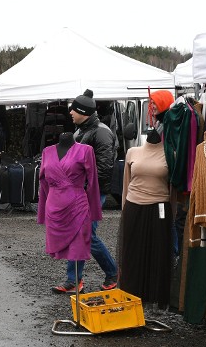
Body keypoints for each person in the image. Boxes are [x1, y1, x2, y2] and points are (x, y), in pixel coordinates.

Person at [52, 89, 119, 293]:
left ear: (84, 111)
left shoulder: (101, 132)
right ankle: (75, 280)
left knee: (86, 234)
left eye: (74, 109)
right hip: (77, 192)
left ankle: (112, 273)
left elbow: (105, 167)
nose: (70, 112)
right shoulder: (79, 131)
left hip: (90, 193)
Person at [38, 133, 101, 291]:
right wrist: (43, 208)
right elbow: (43, 181)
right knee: (73, 245)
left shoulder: (86, 150)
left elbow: (93, 181)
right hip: (54, 205)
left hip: (77, 205)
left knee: (80, 244)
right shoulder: (47, 152)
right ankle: (74, 281)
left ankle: (75, 281)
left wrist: (94, 210)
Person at [119, 126, 171, 308]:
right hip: (134, 205)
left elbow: (173, 185)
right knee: (132, 251)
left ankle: (155, 296)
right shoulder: (132, 152)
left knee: (159, 252)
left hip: (160, 207)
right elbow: (126, 182)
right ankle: (131, 294)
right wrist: (124, 208)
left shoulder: (170, 153)